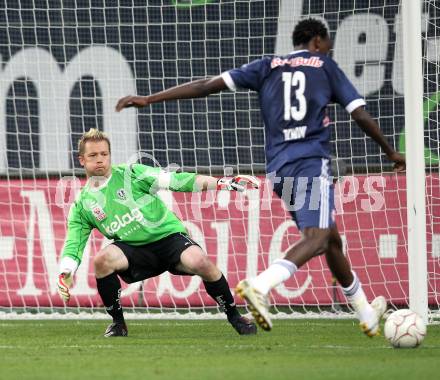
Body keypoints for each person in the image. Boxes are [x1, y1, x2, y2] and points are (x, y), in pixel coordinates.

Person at [115, 19, 406, 336]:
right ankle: (260, 285)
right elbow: (359, 112)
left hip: (280, 170)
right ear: (319, 42)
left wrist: (149, 99)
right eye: (329, 43)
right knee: (318, 237)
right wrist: (390, 152)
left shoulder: (267, 66)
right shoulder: (323, 64)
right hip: (310, 162)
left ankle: (365, 311)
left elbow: (205, 85)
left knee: (330, 239)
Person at [57, 128, 259, 337]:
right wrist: (66, 271)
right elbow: (74, 243)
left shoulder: (131, 174)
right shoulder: (82, 204)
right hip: (134, 250)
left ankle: (235, 317)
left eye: (104, 154)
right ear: (81, 160)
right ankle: (118, 324)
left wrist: (222, 183)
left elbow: (176, 180)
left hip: (169, 239)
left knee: (201, 263)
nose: (99, 160)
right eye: (93, 155)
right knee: (101, 260)